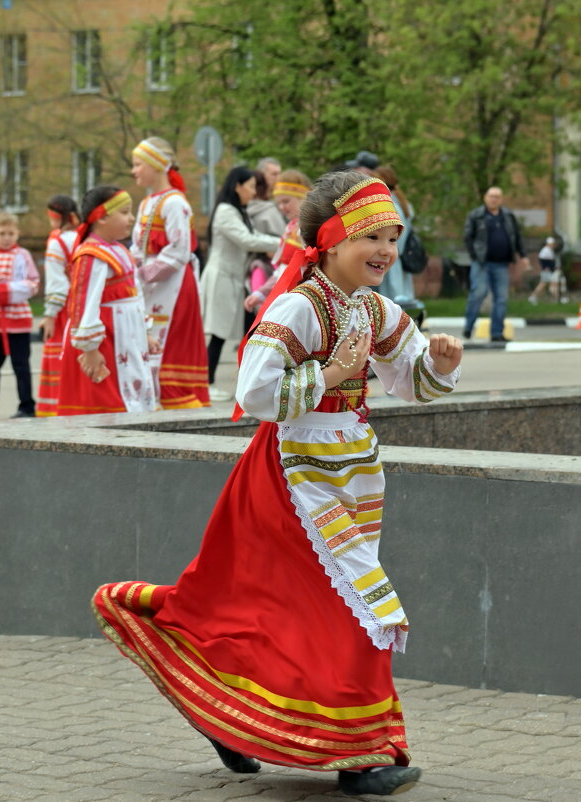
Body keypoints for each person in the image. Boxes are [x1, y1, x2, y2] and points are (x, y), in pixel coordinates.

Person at [92, 171, 463, 797]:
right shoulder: (298, 305)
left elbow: (409, 378)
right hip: (292, 475)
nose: (385, 249)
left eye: (392, 236)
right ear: (331, 240)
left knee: (295, 615)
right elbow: (255, 393)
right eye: (371, 235)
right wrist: (331, 373)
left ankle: (242, 720)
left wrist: (439, 364)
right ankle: (363, 754)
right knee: (359, 608)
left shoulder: (375, 307)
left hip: (349, 472)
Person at [57, 186, 160, 416]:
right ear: (101, 217)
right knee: (104, 398)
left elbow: (136, 294)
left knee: (130, 391)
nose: (131, 218)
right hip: (104, 340)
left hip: (126, 338)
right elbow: (82, 304)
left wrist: (145, 331)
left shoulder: (120, 250)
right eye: (124, 212)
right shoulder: (91, 254)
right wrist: (90, 349)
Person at [131, 137, 210, 409]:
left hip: (174, 284)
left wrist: (142, 274)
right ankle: (155, 397)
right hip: (153, 284)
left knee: (170, 342)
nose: (134, 170)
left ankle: (174, 397)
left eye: (138, 164)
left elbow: (178, 250)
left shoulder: (175, 203)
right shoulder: (145, 204)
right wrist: (130, 267)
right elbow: (137, 246)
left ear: (156, 166)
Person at [200, 166, 280, 400]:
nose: (254, 192)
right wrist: (281, 243)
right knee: (219, 332)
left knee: (243, 327)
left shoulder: (237, 211)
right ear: (238, 185)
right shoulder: (226, 210)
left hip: (234, 278)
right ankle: (208, 382)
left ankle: (245, 380)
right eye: (251, 186)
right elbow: (247, 240)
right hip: (222, 277)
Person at [0, 210, 39, 420]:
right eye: (2, 233)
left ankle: (26, 406)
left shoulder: (22, 256)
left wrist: (5, 290)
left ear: (17, 234)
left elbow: (32, 283)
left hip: (18, 319)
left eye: (10, 233)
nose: (6, 238)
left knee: (21, 364)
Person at [463, 186, 530, 341]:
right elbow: (467, 237)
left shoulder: (508, 216)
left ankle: (497, 333)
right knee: (478, 294)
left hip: (501, 264)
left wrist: (523, 255)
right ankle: (468, 327)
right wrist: (474, 256)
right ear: (485, 197)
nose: (494, 199)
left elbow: (517, 236)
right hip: (481, 263)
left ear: (501, 199)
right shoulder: (476, 215)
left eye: (497, 196)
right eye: (491, 196)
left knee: (501, 298)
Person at [244, 169, 312, 313]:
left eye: (286, 201)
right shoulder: (292, 227)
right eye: (278, 203)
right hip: (289, 297)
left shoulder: (310, 229)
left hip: (302, 301)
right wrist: (261, 292)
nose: (281, 207)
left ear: (304, 197)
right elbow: (282, 270)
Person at [36, 195, 80, 417]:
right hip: (83, 306)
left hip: (65, 311)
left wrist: (50, 315)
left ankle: (57, 408)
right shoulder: (85, 238)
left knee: (59, 359)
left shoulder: (58, 242)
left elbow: (57, 284)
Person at [374, 165, 415, 304]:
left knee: (392, 302)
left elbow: (398, 239)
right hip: (397, 260)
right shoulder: (399, 202)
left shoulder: (390, 205)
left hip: (392, 262)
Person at [528, 236, 559, 305]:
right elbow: (544, 261)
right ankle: (533, 296)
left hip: (549, 271)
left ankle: (555, 299)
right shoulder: (546, 250)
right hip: (547, 271)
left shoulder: (549, 250)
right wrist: (548, 268)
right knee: (544, 284)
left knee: (552, 284)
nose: (553, 245)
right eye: (552, 244)